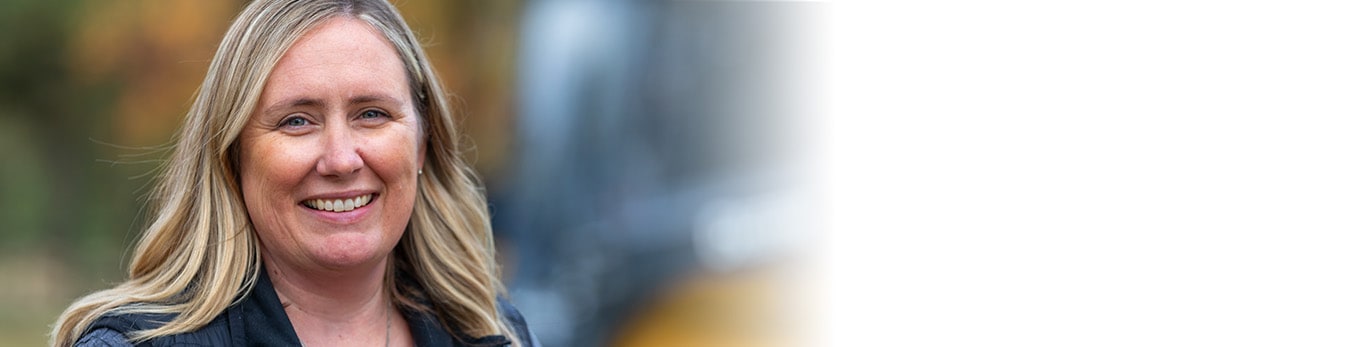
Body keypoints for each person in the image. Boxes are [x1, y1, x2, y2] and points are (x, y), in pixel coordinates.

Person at [50, 0, 538, 346]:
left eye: (371, 114)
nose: (341, 159)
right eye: (297, 121)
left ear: (422, 144)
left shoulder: (496, 334)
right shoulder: (132, 345)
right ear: (233, 155)